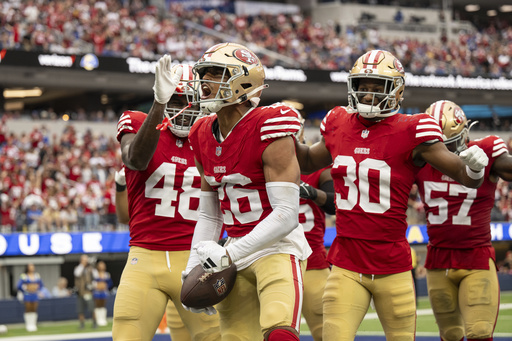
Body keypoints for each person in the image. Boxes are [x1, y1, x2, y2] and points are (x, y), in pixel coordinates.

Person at [294, 49, 489, 340]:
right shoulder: (337, 122)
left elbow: (463, 176)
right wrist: (281, 137)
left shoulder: (413, 129)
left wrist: (474, 169)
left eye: (378, 88)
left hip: (392, 265)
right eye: (363, 86)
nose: (369, 95)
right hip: (346, 260)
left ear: (396, 91)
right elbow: (309, 161)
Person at [182, 42, 312, 341]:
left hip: (277, 246)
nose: (204, 82)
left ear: (242, 81)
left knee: (279, 328)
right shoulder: (201, 132)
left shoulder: (269, 123)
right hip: (233, 248)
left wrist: (226, 254)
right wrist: (193, 266)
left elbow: (286, 214)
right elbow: (209, 214)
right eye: (204, 74)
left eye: (214, 74)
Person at [112, 56, 220, 341]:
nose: (183, 111)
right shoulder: (138, 122)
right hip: (145, 257)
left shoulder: (213, 135)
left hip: (197, 258)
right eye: (175, 101)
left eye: (189, 102)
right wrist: (159, 104)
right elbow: (135, 159)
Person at [415, 100, 510, 341]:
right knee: (450, 335)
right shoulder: (419, 158)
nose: (442, 153)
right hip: (437, 259)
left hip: (476, 256)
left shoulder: (485, 149)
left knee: (479, 333)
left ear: (464, 133)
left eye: (448, 144)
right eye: (435, 145)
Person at [113, 165, 198, 340]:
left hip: (194, 257)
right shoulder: (144, 148)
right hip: (150, 254)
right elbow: (124, 217)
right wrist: (121, 186)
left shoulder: (205, 143)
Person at [295, 117, 335, 341]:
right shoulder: (260, 167)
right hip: (275, 261)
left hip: (313, 263)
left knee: (325, 332)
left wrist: (312, 192)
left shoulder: (319, 168)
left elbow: (334, 204)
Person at [17, 263, 44, 332]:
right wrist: (25, 289)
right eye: (30, 266)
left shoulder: (37, 275)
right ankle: (28, 324)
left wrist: (37, 289)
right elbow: (19, 285)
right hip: (27, 294)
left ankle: (33, 324)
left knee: (34, 309)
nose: (32, 267)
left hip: (34, 294)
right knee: (28, 308)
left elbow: (41, 285)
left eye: (33, 266)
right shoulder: (24, 276)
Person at [74, 254, 96, 329]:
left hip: (88, 292)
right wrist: (83, 265)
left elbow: (95, 276)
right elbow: (77, 273)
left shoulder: (90, 268)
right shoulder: (78, 268)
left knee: (92, 308)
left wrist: (91, 266)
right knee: (80, 309)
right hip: (80, 292)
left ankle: (94, 322)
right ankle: (82, 324)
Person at [92, 260, 113, 327]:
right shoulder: (95, 273)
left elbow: (110, 283)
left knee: (103, 305)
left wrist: (105, 286)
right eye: (100, 265)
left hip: (104, 292)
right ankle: (98, 320)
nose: (102, 266)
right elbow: (92, 281)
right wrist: (97, 286)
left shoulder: (107, 274)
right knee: (97, 305)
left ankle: (103, 319)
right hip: (97, 292)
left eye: (103, 265)